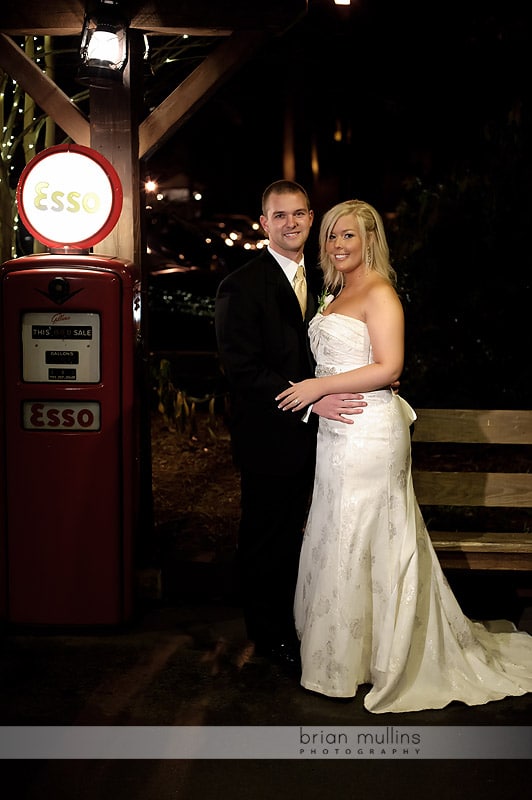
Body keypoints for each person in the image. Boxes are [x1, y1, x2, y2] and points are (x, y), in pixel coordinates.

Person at [276, 198, 532, 713]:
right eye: (331, 236)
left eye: (348, 235)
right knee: (337, 531)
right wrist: (320, 397)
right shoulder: (335, 290)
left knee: (364, 533)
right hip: (336, 432)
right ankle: (347, 657)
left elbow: (390, 366)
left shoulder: (380, 293)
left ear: (370, 240)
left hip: (371, 430)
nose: (338, 245)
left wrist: (314, 387)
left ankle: (379, 660)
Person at [215, 181, 367, 666]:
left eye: (299, 214)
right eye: (279, 216)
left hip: (333, 437)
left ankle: (312, 622)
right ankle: (270, 635)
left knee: (321, 533)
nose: (291, 223)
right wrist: (309, 403)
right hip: (273, 438)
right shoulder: (239, 285)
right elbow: (244, 370)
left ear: (311, 218)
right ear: (264, 223)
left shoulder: (331, 280)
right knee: (269, 538)